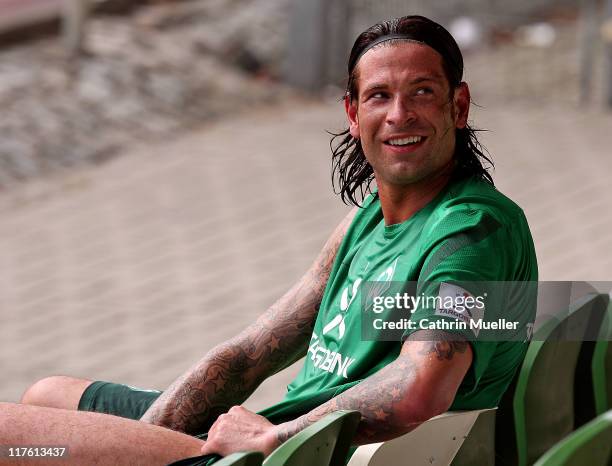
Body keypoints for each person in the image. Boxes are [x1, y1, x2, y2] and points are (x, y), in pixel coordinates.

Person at [5, 15, 537, 466]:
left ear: (458, 106)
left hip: (285, 454)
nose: (400, 115)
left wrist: (273, 438)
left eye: (422, 92)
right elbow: (248, 356)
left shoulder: (473, 231)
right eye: (380, 96)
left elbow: (421, 386)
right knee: (46, 396)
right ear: (353, 114)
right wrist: (152, 434)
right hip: (270, 440)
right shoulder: (368, 223)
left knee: (14, 437)